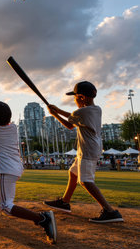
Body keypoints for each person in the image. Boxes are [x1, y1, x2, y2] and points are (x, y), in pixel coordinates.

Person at [0, 101, 57, 244]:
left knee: (5, 206)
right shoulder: (13, 127)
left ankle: (42, 219)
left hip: (5, 170)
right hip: (15, 168)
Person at [43, 81, 123, 223]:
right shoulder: (96, 109)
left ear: (82, 97)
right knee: (73, 172)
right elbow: (71, 120)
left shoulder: (83, 111)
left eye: (75, 97)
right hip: (88, 148)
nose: (74, 100)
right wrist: (56, 112)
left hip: (88, 149)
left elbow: (70, 121)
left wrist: (55, 112)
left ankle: (110, 211)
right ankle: (65, 202)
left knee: (85, 181)